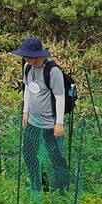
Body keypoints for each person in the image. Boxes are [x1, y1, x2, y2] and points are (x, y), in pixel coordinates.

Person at [12, 37, 70, 193]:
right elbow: (28, 90)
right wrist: (26, 112)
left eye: (29, 56)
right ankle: (36, 183)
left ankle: (63, 187)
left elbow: (60, 97)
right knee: (29, 153)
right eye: (24, 56)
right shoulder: (27, 67)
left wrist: (59, 123)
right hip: (33, 121)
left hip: (50, 123)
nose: (26, 58)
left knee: (56, 156)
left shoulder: (53, 71)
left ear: (39, 55)